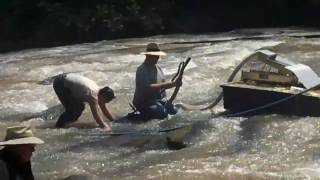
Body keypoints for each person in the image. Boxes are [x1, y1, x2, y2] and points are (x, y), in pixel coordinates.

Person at [132, 43, 182, 121]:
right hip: (144, 103)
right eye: (155, 56)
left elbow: (163, 86)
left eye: (158, 55)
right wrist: (173, 83)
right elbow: (148, 88)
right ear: (148, 56)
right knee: (162, 113)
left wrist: (175, 84)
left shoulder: (158, 68)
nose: (158, 58)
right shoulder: (142, 69)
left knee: (174, 111)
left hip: (159, 101)